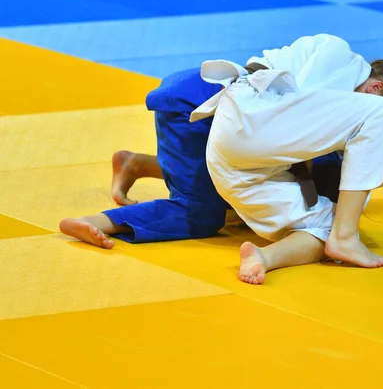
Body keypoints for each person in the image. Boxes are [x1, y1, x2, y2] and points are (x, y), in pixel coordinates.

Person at [191, 33, 383, 283]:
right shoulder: (340, 53)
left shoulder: (327, 107)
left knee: (329, 223)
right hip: (252, 120)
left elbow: (300, 130)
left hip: (235, 163)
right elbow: (298, 108)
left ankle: (264, 258)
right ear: (376, 87)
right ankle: (345, 237)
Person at [58, 67, 343, 258]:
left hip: (202, 89)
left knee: (239, 180)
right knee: (202, 214)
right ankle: (98, 222)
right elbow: (303, 175)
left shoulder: (338, 85)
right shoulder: (327, 133)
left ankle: (138, 164)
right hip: (194, 108)